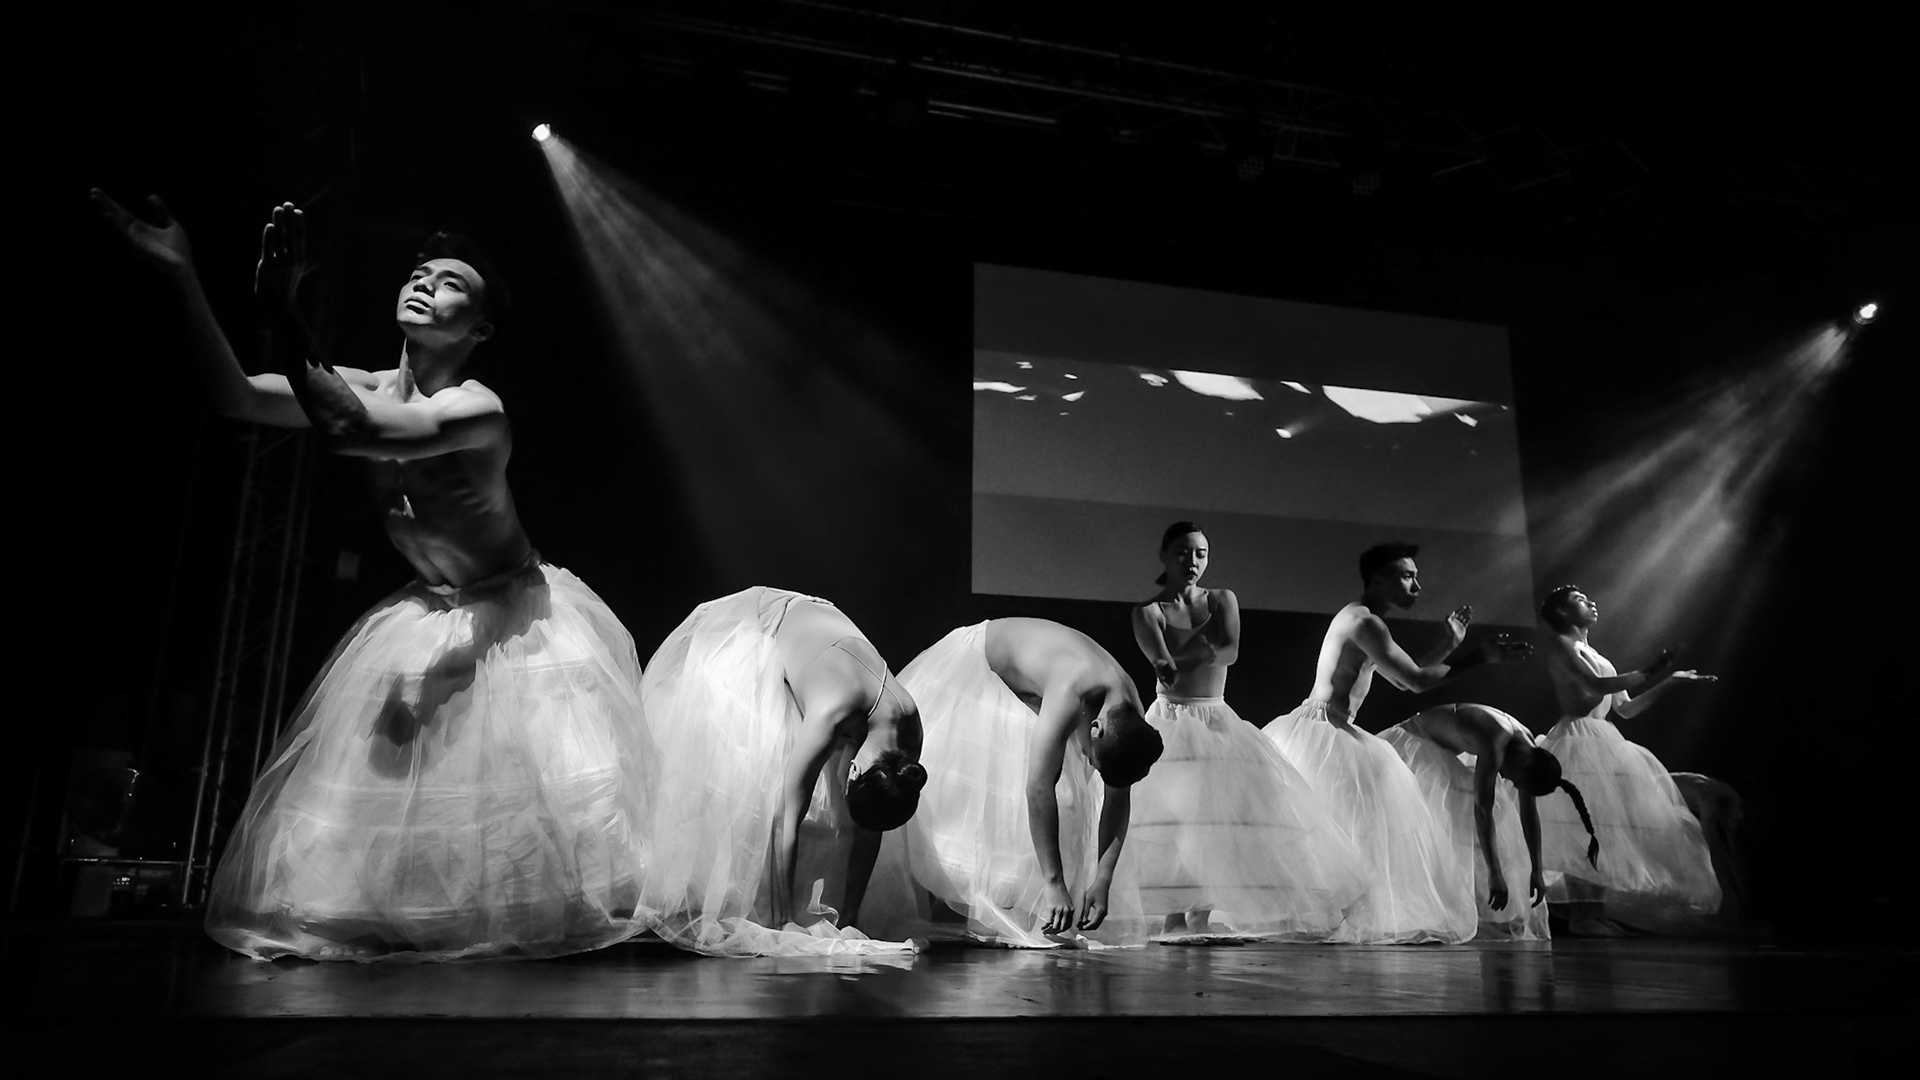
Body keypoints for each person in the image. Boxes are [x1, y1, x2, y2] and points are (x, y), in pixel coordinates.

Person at [93, 192, 652, 961]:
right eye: (419, 272)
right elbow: (235, 396)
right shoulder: (363, 381)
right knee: (383, 823)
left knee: (540, 829)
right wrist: (184, 276)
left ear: (480, 326)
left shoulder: (476, 408)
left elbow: (351, 431)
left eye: (450, 281)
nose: (425, 283)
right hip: (428, 610)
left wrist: (283, 311)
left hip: (516, 618)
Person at [1264, 541, 1531, 944]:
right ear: (1377, 579)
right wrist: (1479, 657)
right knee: (1343, 822)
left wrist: (1449, 644)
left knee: (1345, 824)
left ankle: (1334, 912)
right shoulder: (1366, 623)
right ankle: (1325, 912)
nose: (1416, 585)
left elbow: (1403, 674)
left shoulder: (1361, 619)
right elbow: (1414, 681)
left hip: (1328, 726)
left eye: (1416, 576)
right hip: (1323, 729)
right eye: (1406, 576)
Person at [637, 587, 925, 956]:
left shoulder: (908, 729)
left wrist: (853, 916)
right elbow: (786, 816)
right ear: (852, 769)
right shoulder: (832, 709)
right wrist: (782, 917)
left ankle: (829, 905)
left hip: (822, 634)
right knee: (750, 777)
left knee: (836, 813)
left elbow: (872, 828)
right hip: (761, 623)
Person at [1127, 523, 1363, 941]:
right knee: (1173, 818)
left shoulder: (1222, 599)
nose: (1193, 562)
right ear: (1165, 556)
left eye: (1201, 553)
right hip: (1170, 721)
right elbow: (1164, 667)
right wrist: (1201, 650)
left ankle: (1200, 911)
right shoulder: (1149, 612)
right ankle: (1172, 915)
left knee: (1218, 819)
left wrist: (1190, 655)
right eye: (1183, 553)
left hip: (1216, 719)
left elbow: (1230, 651)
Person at [869, 618, 1164, 947]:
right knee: (970, 793)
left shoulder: (1129, 716)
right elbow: (1038, 788)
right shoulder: (1071, 689)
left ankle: (1009, 910)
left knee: (1070, 799)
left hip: (1030, 690)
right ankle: (959, 909)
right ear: (1096, 729)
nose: (1089, 764)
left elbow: (1118, 797)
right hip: (978, 664)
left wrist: (1103, 880)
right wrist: (1055, 884)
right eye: (1093, 760)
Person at [1537, 585, 1721, 931]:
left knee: (1605, 827)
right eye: (1579, 600)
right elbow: (1596, 685)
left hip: (1604, 739)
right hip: (1577, 741)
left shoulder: (1601, 655)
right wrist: (1652, 669)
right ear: (1562, 614)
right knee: (1582, 826)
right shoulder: (1563, 645)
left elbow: (1626, 708)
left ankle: (1594, 913)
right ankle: (1582, 915)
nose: (1591, 602)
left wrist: (1670, 680)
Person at [1379, 703, 1598, 940]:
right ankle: (1414, 906)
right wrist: (1495, 873)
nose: (1511, 782)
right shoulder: (1495, 742)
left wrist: (1536, 869)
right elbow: (1483, 810)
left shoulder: (1528, 749)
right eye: (1518, 782)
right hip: (1414, 743)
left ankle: (1446, 905)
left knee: (1489, 820)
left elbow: (1529, 813)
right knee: (1455, 822)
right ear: (1523, 764)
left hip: (1445, 752)